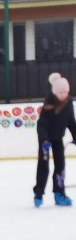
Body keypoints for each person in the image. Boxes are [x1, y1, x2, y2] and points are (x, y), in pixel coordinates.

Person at [34, 72, 76, 208]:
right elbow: (41, 124)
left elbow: (71, 122)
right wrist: (44, 140)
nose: (63, 94)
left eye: (65, 92)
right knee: (43, 167)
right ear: (55, 92)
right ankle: (39, 193)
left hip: (57, 138)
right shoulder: (49, 104)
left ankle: (59, 193)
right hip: (45, 140)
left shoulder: (69, 103)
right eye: (60, 92)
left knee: (60, 166)